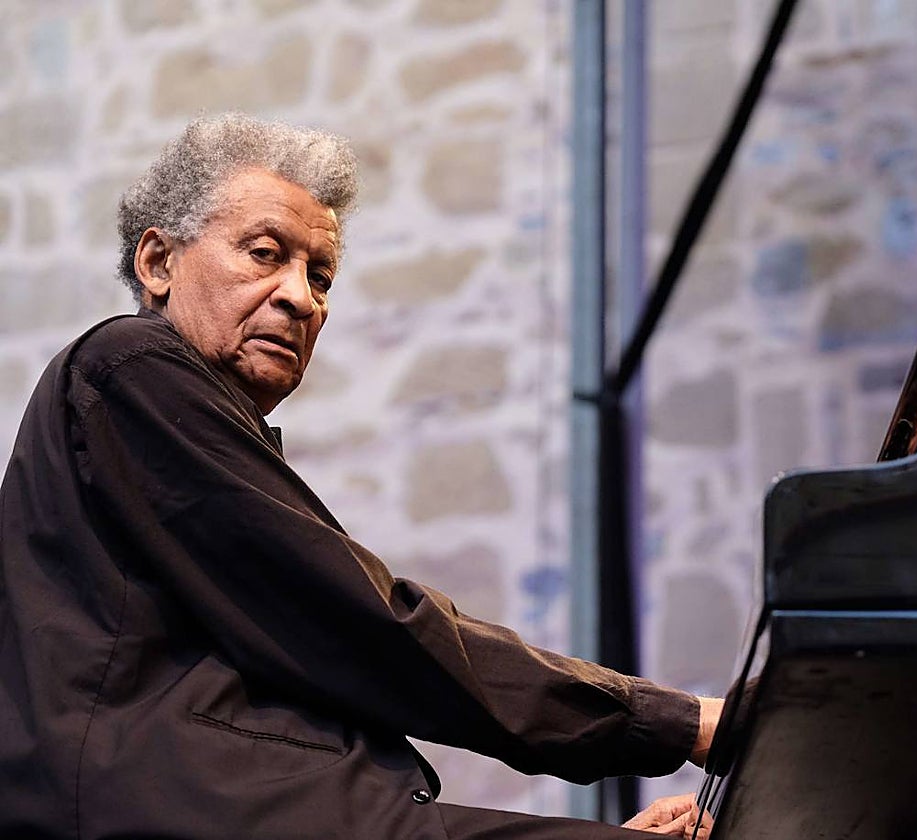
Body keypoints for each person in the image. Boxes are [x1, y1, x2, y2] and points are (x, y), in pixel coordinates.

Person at [0, 114, 721, 839]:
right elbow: (361, 622)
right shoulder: (131, 365)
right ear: (158, 264)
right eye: (263, 254)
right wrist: (677, 724)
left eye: (319, 276)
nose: (300, 298)